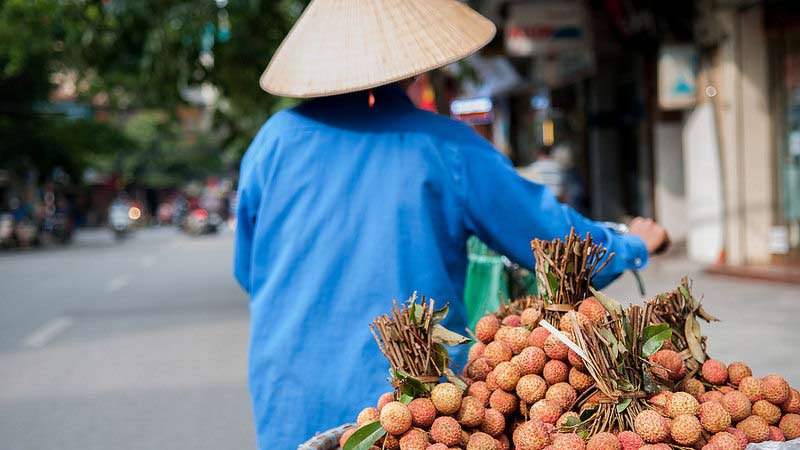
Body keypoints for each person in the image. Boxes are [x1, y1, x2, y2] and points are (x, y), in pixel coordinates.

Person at [233, 1, 669, 448]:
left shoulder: (272, 142)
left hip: (288, 401)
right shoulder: (445, 146)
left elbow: (250, 274)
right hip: (409, 414)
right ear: (415, 67)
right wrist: (632, 243)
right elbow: (556, 244)